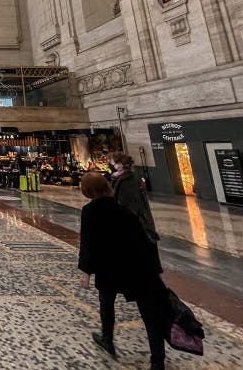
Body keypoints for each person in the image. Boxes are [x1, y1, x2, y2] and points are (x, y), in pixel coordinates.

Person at [78, 171, 168, 370]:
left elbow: (88, 243)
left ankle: (107, 338)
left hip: (109, 267)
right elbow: (145, 239)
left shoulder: (90, 211)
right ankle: (158, 360)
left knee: (106, 302)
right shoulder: (124, 209)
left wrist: (85, 271)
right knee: (149, 313)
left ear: (87, 191)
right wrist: (156, 268)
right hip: (138, 267)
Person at [111, 152, 159, 243]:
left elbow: (129, 204)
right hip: (140, 221)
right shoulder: (131, 176)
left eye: (114, 164)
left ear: (120, 164)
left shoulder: (127, 181)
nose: (114, 167)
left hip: (136, 223)